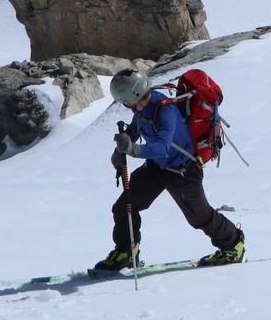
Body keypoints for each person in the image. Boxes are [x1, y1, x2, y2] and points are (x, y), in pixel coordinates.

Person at [92, 68, 245, 271]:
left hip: (182, 172)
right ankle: (126, 252)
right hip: (157, 167)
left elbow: (163, 146)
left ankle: (233, 244)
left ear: (131, 97)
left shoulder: (166, 110)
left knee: (199, 218)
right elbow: (136, 130)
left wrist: (133, 149)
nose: (124, 105)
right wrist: (123, 144)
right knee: (124, 207)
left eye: (123, 101)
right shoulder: (142, 110)